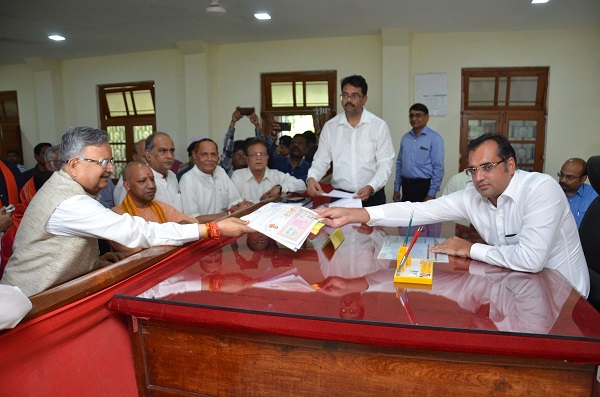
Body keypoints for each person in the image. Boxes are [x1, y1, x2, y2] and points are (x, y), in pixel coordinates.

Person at [315, 133, 590, 298]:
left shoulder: (542, 190)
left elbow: (530, 260)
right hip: (516, 284)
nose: (479, 177)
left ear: (510, 164)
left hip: (564, 295)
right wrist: (355, 214)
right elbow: (417, 209)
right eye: (473, 169)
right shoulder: (473, 194)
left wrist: (471, 248)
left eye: (487, 167)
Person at [0, 126, 253, 297]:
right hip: (29, 304)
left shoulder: (71, 191)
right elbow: (136, 231)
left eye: (111, 161)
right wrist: (214, 228)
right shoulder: (69, 202)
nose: (111, 170)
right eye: (103, 163)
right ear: (74, 165)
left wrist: (90, 263)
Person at [306, 75, 395, 207]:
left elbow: (385, 164)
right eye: (345, 95)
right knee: (339, 228)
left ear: (364, 99)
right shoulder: (331, 127)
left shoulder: (378, 126)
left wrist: (371, 186)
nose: (348, 100)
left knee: (373, 228)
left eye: (354, 96)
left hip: (372, 196)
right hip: (340, 196)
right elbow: (321, 160)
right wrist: (312, 177)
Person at [112, 162, 199, 256]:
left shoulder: (160, 206)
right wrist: (174, 231)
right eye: (142, 181)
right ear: (127, 185)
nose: (151, 185)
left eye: (152, 179)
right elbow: (138, 251)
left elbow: (193, 223)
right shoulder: (116, 215)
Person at [180, 138, 253, 222]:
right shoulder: (188, 179)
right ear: (195, 156)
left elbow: (235, 202)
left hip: (227, 228)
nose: (210, 159)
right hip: (204, 232)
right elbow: (193, 219)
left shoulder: (220, 171)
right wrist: (229, 213)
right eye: (204, 154)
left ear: (218, 156)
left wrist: (243, 206)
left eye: (213, 154)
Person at [393, 103, 445, 202]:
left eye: (418, 115)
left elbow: (438, 168)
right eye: (411, 115)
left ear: (427, 117)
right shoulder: (405, 138)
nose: (414, 119)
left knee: (423, 217)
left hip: (424, 187)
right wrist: (396, 188)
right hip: (406, 186)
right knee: (406, 216)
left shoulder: (435, 138)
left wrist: (431, 194)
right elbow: (399, 164)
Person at [231, 139, 306, 202]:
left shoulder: (276, 175)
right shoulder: (238, 176)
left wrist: (281, 188)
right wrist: (261, 202)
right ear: (247, 159)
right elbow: (235, 205)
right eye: (254, 154)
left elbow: (302, 185)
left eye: (262, 154)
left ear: (267, 158)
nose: (258, 158)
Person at [220, 107, 263, 176]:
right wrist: (233, 122)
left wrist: (257, 125)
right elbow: (227, 149)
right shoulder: (226, 171)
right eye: (237, 153)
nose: (241, 156)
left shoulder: (254, 170)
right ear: (231, 159)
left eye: (243, 153)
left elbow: (261, 148)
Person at [558, 158, 598, 228]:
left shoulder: (595, 196)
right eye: (561, 174)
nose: (563, 180)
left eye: (569, 177)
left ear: (583, 179)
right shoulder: (552, 192)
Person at [113, 138, 147, 204]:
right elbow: (123, 207)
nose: (149, 160)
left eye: (151, 156)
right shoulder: (127, 177)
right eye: (145, 157)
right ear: (135, 157)